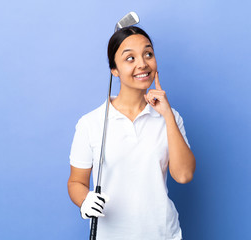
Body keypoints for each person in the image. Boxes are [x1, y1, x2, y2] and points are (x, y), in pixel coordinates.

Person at [67, 26, 196, 240]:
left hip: (163, 234)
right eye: (130, 58)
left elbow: (183, 175)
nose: (142, 64)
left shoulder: (170, 117)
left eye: (148, 54)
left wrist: (167, 115)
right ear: (114, 70)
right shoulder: (90, 123)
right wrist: (85, 200)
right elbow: (76, 183)